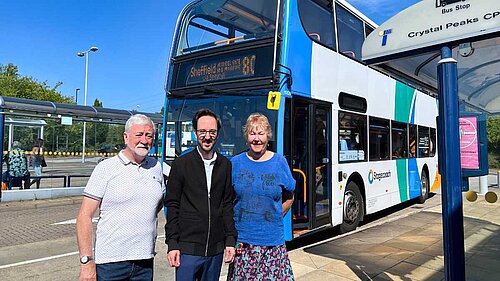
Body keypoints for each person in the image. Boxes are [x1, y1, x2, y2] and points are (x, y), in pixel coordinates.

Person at [76, 114, 165, 281]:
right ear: (126, 137)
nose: (144, 140)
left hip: (144, 262)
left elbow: (157, 203)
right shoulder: (106, 168)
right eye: (139, 135)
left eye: (149, 135)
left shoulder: (156, 167)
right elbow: (84, 216)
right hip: (111, 264)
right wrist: (86, 262)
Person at [165, 108, 237, 281]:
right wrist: (173, 244)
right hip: (187, 250)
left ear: (218, 134)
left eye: (212, 132)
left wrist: (229, 240)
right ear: (196, 132)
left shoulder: (225, 165)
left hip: (216, 250)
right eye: (202, 131)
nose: (207, 136)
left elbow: (227, 204)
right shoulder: (181, 164)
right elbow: (172, 205)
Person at [228, 113, 295, 280]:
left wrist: (277, 214)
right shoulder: (235, 163)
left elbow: (290, 196)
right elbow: (226, 201)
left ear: (268, 136)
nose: (256, 139)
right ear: (246, 136)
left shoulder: (279, 162)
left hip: (272, 243)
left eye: (261, 133)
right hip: (243, 242)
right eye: (252, 133)